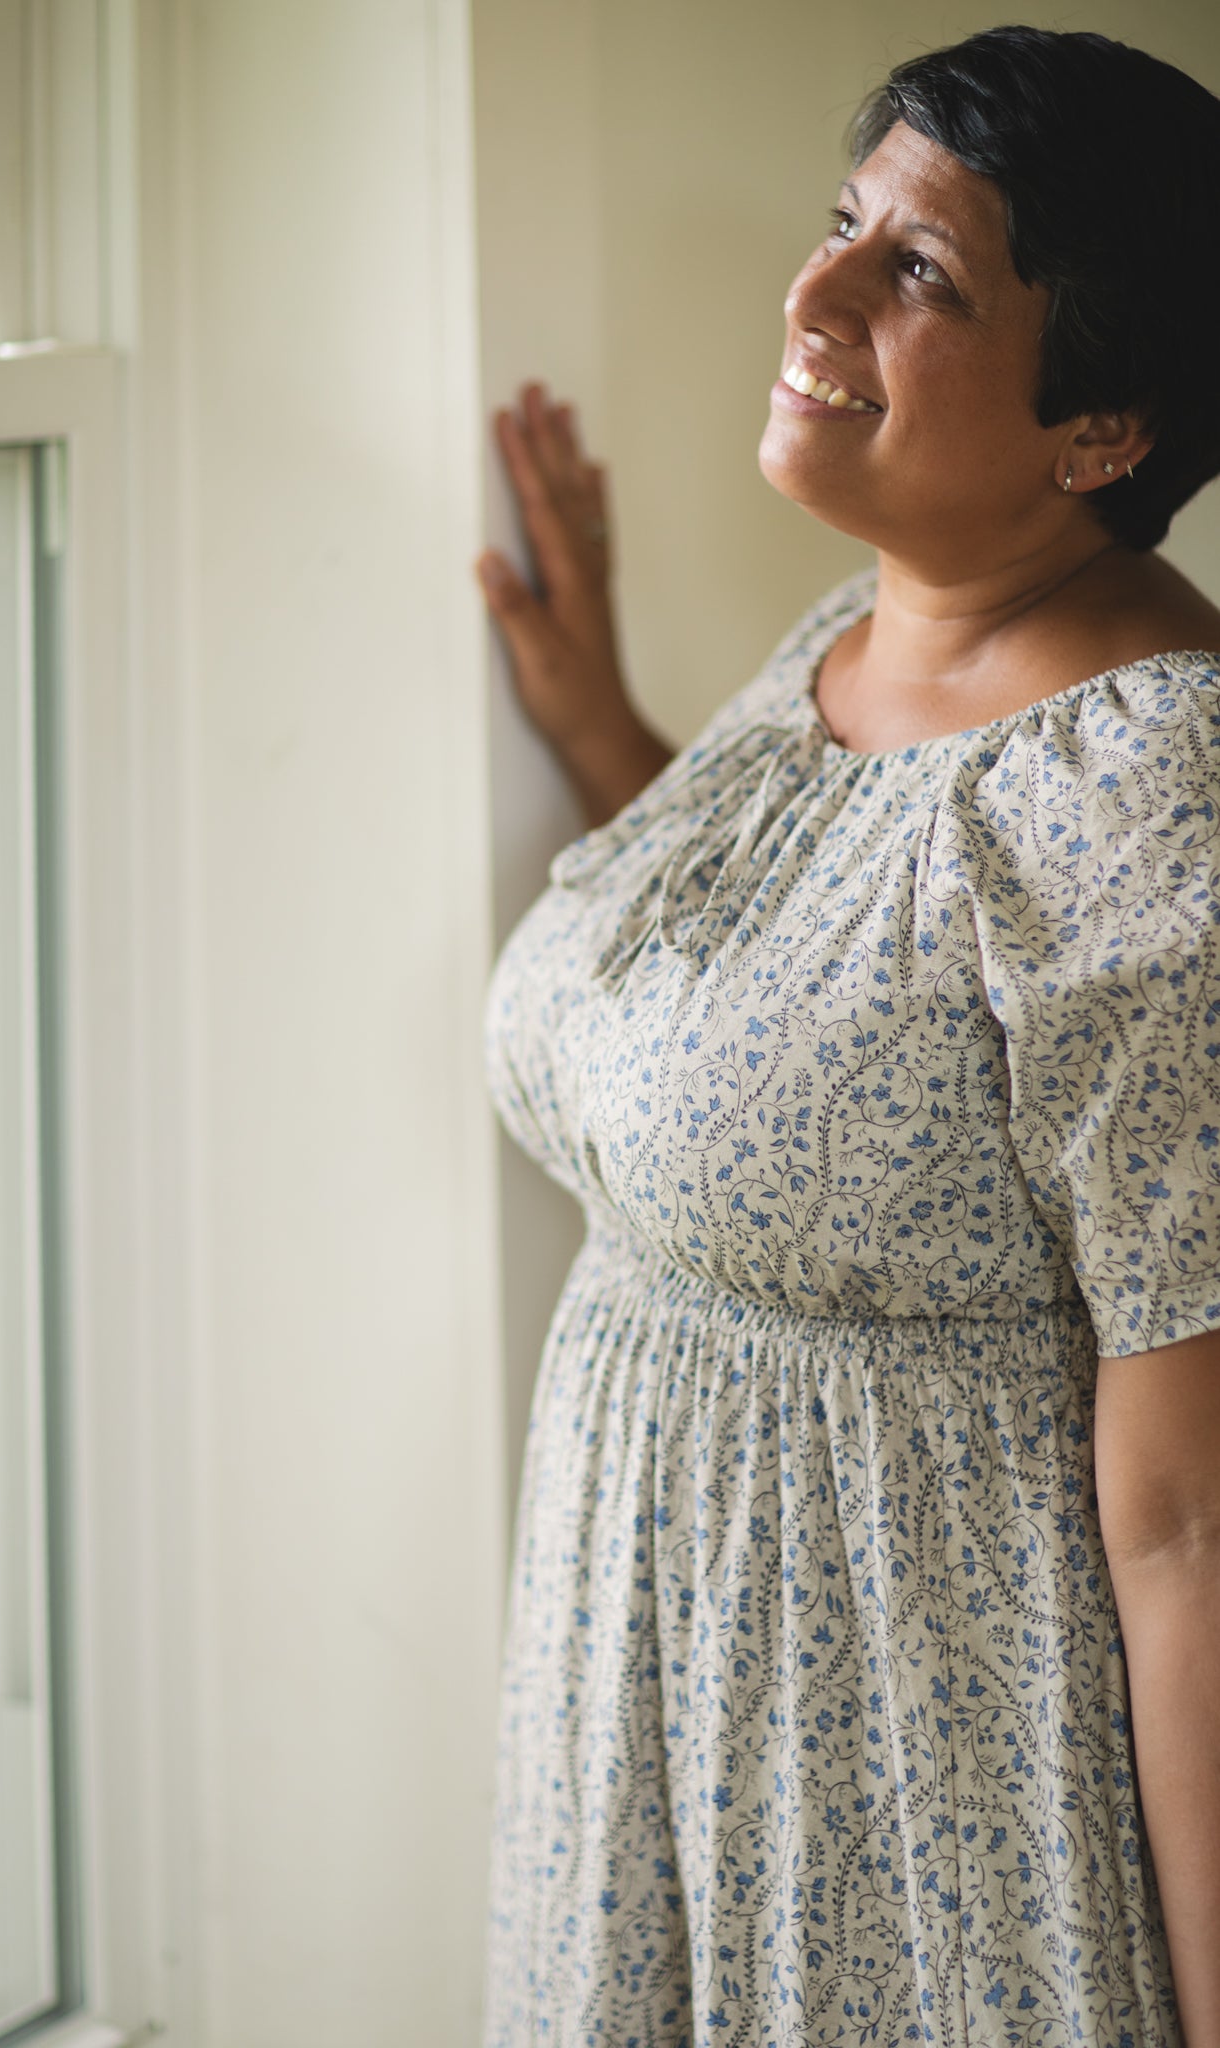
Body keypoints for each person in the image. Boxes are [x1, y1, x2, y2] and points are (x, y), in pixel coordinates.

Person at [475, 24, 1220, 2048]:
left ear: (1101, 426)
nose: (808, 296)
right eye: (841, 226)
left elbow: (1189, 1515)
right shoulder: (871, 621)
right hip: (658, 1695)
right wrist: (596, 731)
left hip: (903, 1780)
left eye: (920, 274)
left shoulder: (1155, 795)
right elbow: (843, 1024)